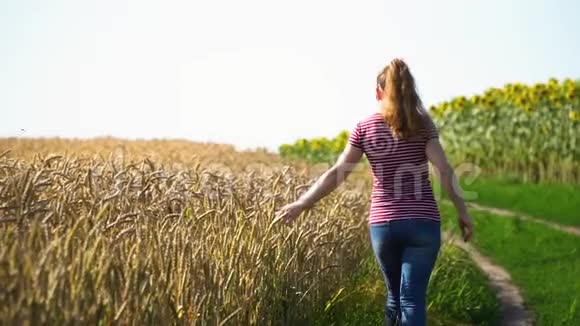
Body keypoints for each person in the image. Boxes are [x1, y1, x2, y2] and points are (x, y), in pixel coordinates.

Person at [274, 58, 474, 326]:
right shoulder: (423, 124)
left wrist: (302, 203)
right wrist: (463, 212)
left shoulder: (364, 127)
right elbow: (445, 169)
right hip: (423, 224)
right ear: (409, 90)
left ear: (379, 92)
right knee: (412, 300)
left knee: (394, 297)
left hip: (384, 225)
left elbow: (337, 172)